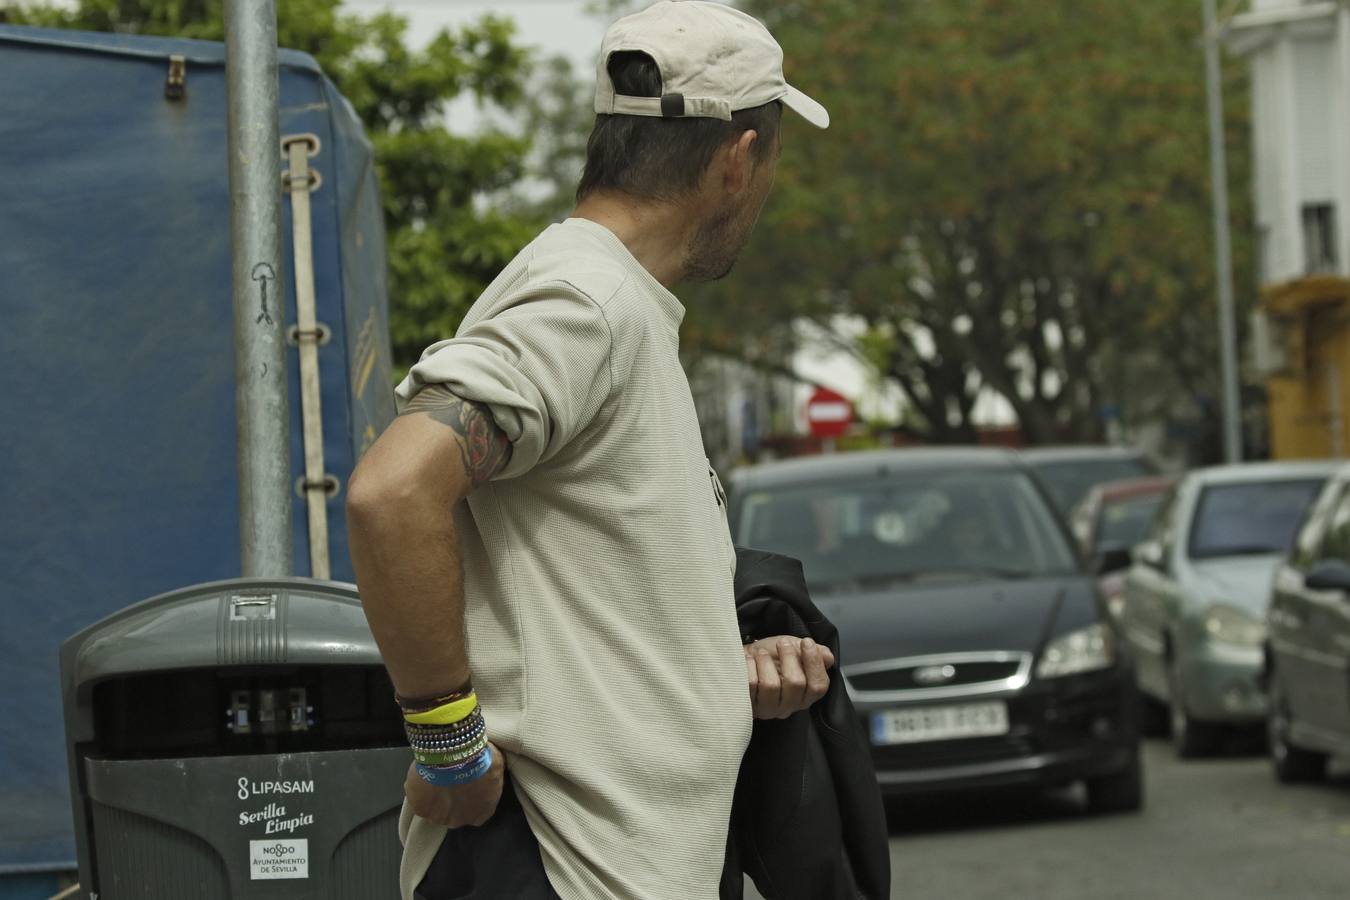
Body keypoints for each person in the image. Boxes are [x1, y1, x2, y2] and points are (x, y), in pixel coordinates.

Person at [345, 3, 833, 898]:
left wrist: (728, 672)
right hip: (561, 874)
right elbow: (392, 491)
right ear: (738, 161)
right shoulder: (588, 300)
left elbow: (581, 604)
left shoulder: (615, 302)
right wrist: (451, 748)